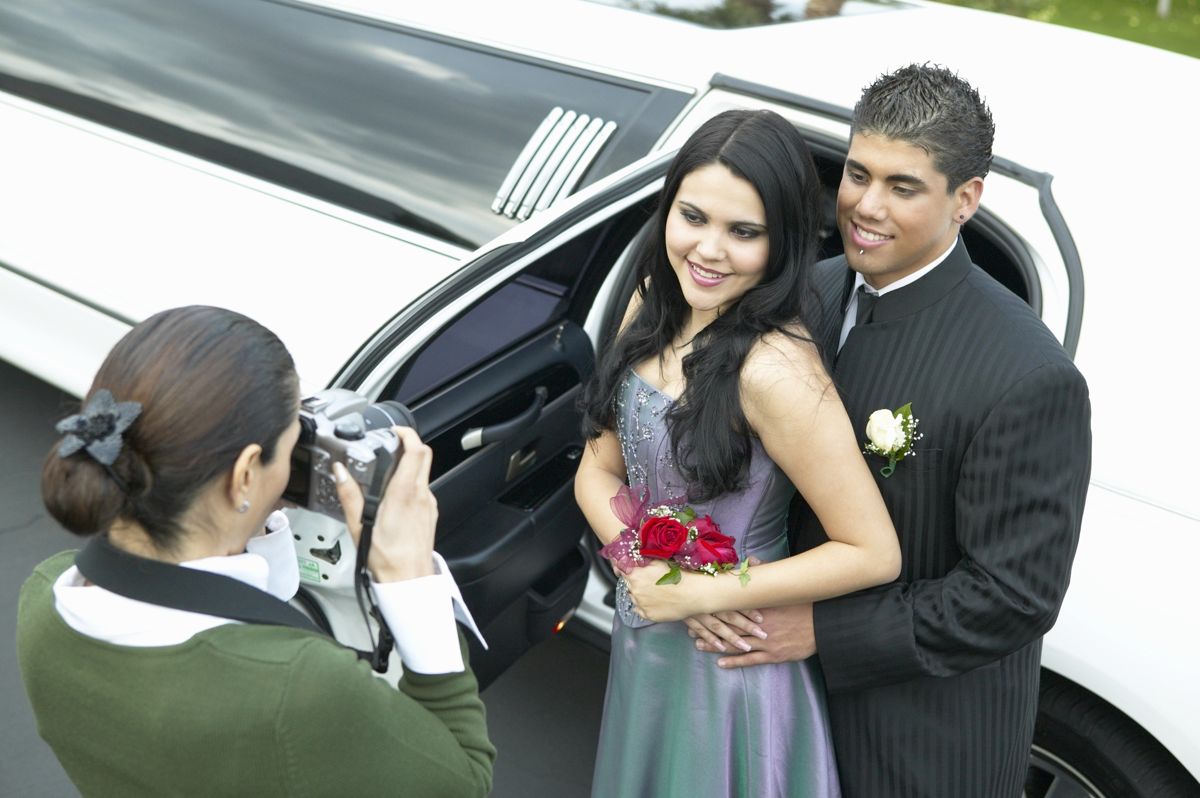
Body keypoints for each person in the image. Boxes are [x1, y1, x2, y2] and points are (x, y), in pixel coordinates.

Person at [694, 65, 1092, 797]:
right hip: (769, 709)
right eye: (856, 173)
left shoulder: (1026, 375)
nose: (865, 207)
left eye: (902, 187)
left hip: (915, 746)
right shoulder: (800, 292)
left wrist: (817, 630)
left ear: (965, 199)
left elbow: (1012, 596)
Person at [16, 305, 495, 797]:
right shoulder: (300, 686)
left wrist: (250, 510)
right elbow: (464, 781)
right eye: (294, 445)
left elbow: (235, 607)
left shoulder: (43, 598)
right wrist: (411, 576)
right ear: (244, 472)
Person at [575, 109, 902, 797]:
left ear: (781, 242)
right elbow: (595, 471)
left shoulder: (776, 372)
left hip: (731, 667)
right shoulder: (648, 306)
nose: (709, 250)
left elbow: (873, 550)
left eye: (743, 232)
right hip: (652, 634)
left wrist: (705, 594)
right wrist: (654, 576)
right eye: (693, 217)